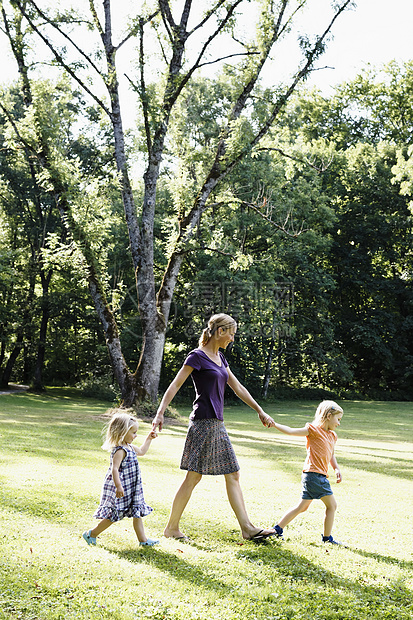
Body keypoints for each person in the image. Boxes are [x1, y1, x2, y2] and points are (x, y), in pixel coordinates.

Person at [152, 313, 276, 542]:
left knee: (214, 475)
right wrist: (160, 413)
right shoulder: (197, 357)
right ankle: (174, 528)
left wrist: (260, 410)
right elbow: (175, 384)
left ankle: (244, 528)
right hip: (203, 422)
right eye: (231, 333)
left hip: (215, 422)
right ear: (220, 332)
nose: (232, 338)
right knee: (201, 477)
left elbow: (237, 387)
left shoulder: (220, 359)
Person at [270, 400, 346, 545]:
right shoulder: (313, 430)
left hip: (315, 476)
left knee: (302, 507)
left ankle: (277, 530)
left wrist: (336, 468)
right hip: (314, 475)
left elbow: (331, 454)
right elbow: (291, 431)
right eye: (338, 419)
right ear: (329, 416)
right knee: (332, 506)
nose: (339, 423)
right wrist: (275, 425)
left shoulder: (332, 436)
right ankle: (327, 538)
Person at [83, 412, 159, 547]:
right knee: (114, 515)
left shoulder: (129, 447)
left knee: (137, 512)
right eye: (133, 433)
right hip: (122, 487)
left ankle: (143, 540)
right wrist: (118, 486)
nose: (136, 436)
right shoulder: (120, 450)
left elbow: (141, 451)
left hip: (132, 487)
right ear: (122, 432)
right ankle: (91, 534)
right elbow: (114, 469)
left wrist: (149, 439)